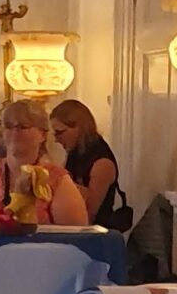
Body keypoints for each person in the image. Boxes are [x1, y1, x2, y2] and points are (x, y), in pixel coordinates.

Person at [0, 99, 90, 226]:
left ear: (42, 134)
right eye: (8, 126)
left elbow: (76, 234)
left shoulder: (56, 179)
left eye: (22, 127)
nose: (14, 132)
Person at [48, 98, 131, 231]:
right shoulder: (75, 154)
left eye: (60, 132)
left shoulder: (101, 162)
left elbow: (89, 213)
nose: (56, 139)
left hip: (96, 234)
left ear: (78, 128)